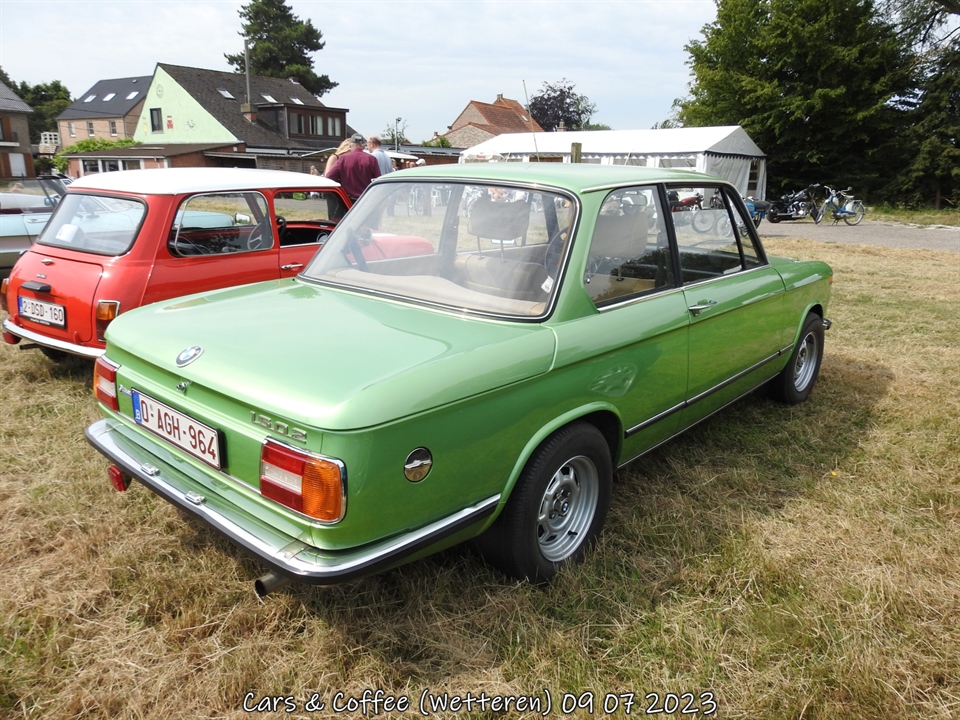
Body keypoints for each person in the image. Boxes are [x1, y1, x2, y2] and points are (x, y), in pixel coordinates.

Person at [327, 133, 381, 202]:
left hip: (347, 200)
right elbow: (378, 180)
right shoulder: (371, 159)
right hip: (366, 199)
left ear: (351, 145)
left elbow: (329, 176)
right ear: (363, 145)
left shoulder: (343, 158)